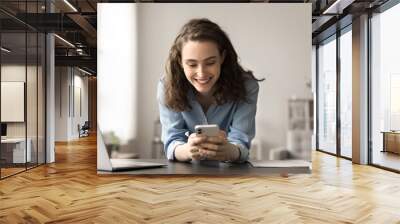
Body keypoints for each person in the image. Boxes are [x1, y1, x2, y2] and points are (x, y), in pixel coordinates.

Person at [157, 18, 263, 162]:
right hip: (185, 175)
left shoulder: (247, 86)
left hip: (230, 176)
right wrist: (187, 151)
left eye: (210, 62)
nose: (201, 73)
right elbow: (172, 142)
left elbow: (241, 142)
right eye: (192, 64)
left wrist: (229, 150)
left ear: (222, 58)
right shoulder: (167, 86)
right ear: (180, 62)